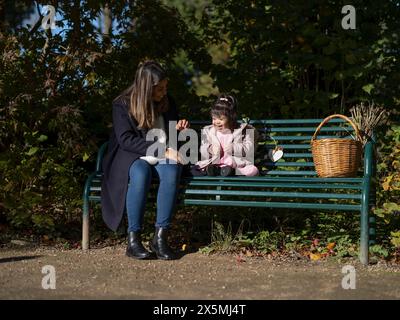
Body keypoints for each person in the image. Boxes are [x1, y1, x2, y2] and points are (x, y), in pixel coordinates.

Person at [101, 60, 189, 260]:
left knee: (173, 169)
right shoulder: (122, 103)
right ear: (146, 88)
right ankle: (134, 241)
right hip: (132, 153)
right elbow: (125, 140)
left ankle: (160, 238)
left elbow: (171, 135)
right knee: (141, 174)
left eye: (166, 87)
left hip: (162, 152)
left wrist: (179, 130)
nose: (164, 92)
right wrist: (164, 150)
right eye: (160, 89)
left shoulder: (168, 102)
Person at [193, 94, 259, 177]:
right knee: (194, 169)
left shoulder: (242, 130)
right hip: (214, 163)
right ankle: (215, 170)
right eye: (214, 118)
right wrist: (210, 149)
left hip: (234, 164)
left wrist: (234, 148)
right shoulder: (209, 131)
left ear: (231, 118)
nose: (217, 122)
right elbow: (203, 149)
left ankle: (231, 171)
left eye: (221, 119)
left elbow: (250, 149)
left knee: (253, 171)